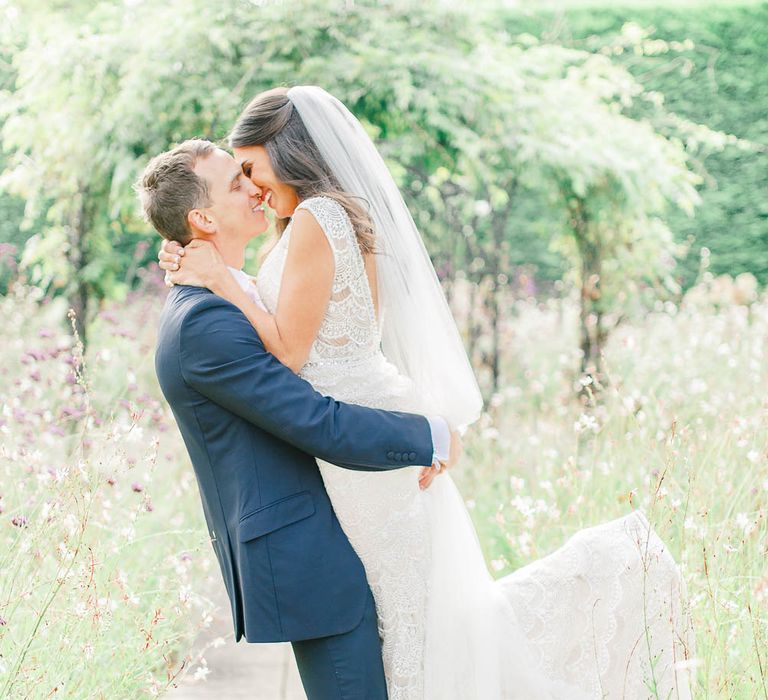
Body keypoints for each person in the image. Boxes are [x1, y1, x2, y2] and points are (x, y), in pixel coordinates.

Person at [158, 87, 694, 698]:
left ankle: (613, 570)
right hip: (363, 432)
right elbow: (292, 316)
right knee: (424, 625)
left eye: (251, 167)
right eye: (240, 179)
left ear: (288, 152)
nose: (253, 186)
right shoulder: (323, 217)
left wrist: (222, 278)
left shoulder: (315, 219)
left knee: (418, 628)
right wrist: (224, 275)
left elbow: (287, 351)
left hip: (361, 444)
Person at [138, 138, 461, 700]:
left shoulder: (225, 294)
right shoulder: (205, 325)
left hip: (335, 532)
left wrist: (200, 263)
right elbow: (316, 422)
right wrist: (430, 435)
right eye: (235, 183)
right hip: (310, 557)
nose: (254, 188)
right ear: (202, 218)